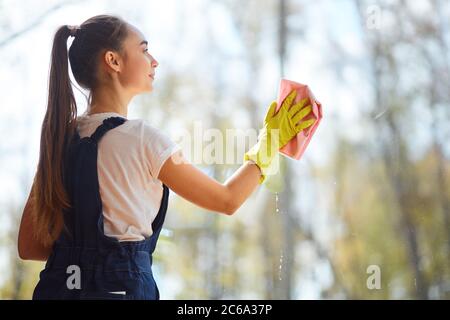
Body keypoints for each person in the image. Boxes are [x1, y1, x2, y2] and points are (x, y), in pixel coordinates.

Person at [17, 14, 314, 300]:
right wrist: (270, 141)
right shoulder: (142, 138)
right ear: (114, 60)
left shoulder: (58, 139)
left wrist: (82, 255)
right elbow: (227, 200)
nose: (154, 60)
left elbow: (30, 246)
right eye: (144, 50)